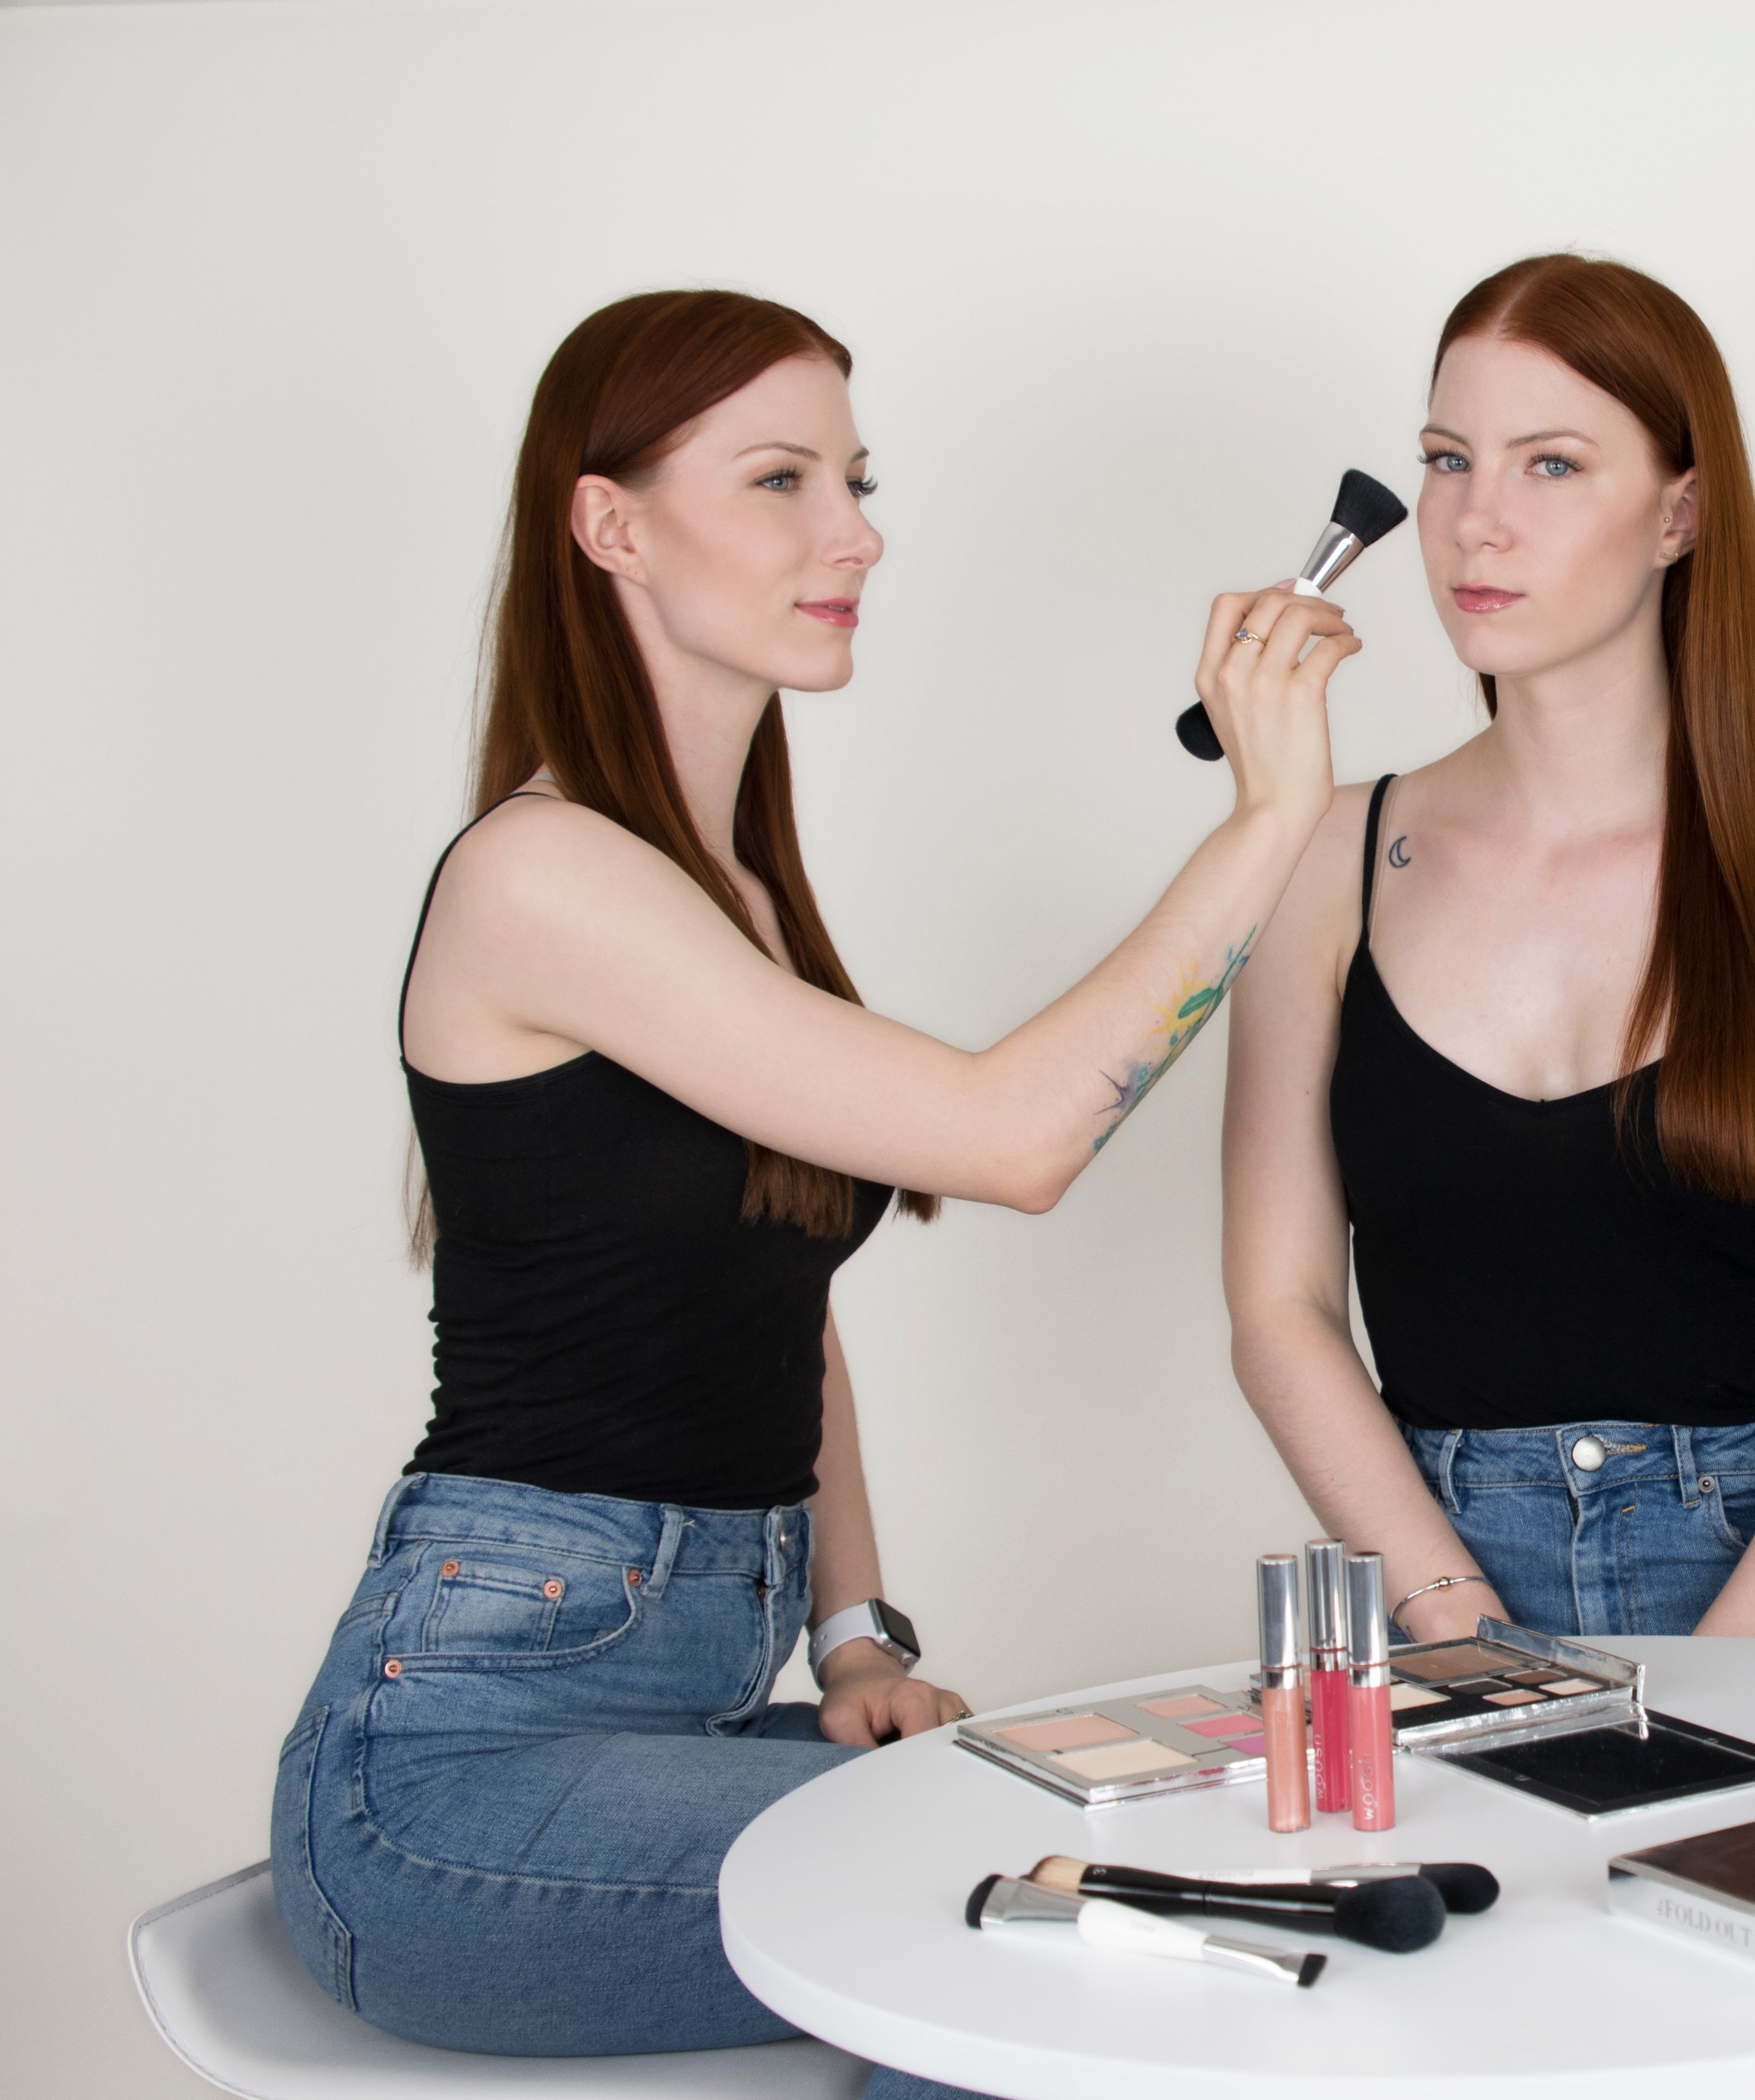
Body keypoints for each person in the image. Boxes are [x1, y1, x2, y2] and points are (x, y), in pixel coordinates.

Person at [270, 290, 1353, 2092]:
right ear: (610, 524)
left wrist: (853, 1627)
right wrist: (1267, 821)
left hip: (691, 1693)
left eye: (854, 479)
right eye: (780, 481)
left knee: (1146, 1825)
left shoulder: (735, 901)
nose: (856, 533)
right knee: (1032, 1931)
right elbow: (1018, 1140)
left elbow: (783, 1287)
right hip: (450, 1786)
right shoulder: (545, 876)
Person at [1222, 255, 1755, 1652]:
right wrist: (1453, 1617)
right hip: (1433, 1599)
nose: (1473, 523)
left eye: (1551, 465)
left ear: (1678, 514)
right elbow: (1277, 1310)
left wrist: (1718, 1685)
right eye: (1446, 461)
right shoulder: (1320, 858)